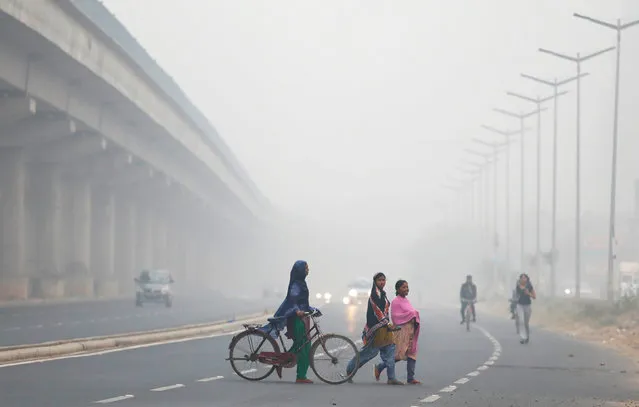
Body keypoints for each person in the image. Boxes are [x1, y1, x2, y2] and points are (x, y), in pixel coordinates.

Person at [346, 272, 404, 385]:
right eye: (379, 280)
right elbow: (377, 312)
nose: (382, 282)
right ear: (375, 282)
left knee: (390, 351)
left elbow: (385, 311)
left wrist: (388, 324)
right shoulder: (374, 295)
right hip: (376, 330)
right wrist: (387, 323)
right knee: (368, 353)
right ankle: (349, 371)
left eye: (383, 280)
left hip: (385, 329)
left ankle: (391, 378)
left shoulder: (383, 294)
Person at [271, 260, 315, 383]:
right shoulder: (296, 285)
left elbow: (303, 302)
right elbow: (293, 301)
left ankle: (293, 370)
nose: (308, 270)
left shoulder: (301, 283)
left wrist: (312, 309)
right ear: (300, 270)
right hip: (296, 319)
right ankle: (300, 376)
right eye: (306, 268)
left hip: (303, 318)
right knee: (303, 347)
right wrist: (297, 312)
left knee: (303, 346)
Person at [375, 279, 422, 384]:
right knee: (399, 354)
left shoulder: (406, 300)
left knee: (412, 353)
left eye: (407, 287)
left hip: (410, 331)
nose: (406, 289)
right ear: (398, 289)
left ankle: (411, 378)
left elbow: (410, 313)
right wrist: (412, 314)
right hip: (401, 331)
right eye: (404, 287)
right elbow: (396, 317)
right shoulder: (396, 301)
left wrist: (413, 315)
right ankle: (380, 367)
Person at [515, 273, 536, 344]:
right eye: (522, 278)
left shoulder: (529, 286)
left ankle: (527, 336)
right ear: (520, 279)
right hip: (520, 305)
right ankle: (522, 337)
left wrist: (528, 293)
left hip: (527, 305)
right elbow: (517, 294)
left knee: (526, 322)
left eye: (525, 278)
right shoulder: (518, 285)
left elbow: (534, 296)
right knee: (521, 321)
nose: (523, 279)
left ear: (527, 279)